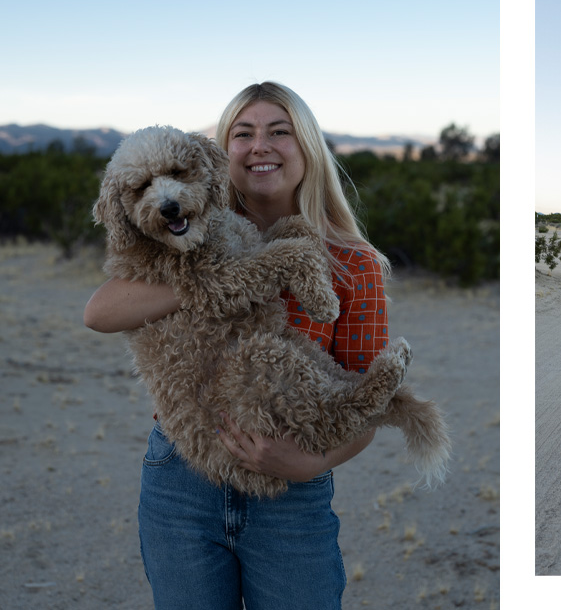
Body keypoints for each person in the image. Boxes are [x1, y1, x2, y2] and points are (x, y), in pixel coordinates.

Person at [83, 81, 390, 610]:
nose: (259, 146)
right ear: (223, 154)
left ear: (308, 147)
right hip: (181, 479)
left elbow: (370, 399)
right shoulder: (187, 234)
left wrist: (310, 464)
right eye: (243, 134)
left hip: (290, 492)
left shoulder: (356, 265)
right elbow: (100, 311)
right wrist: (210, 276)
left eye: (279, 132)